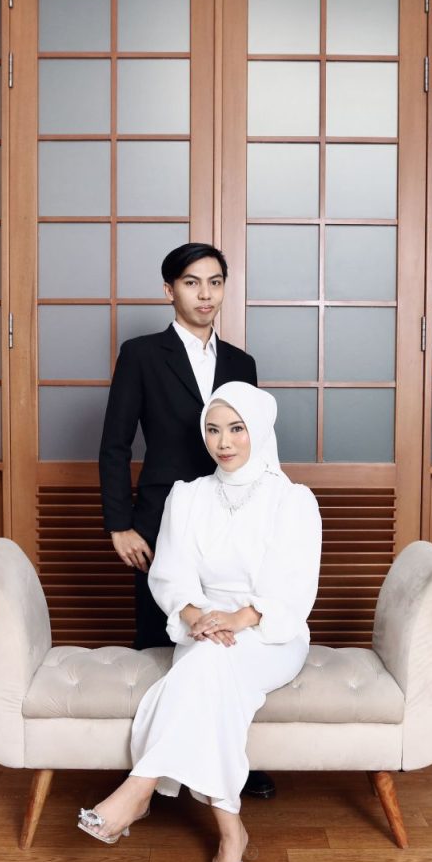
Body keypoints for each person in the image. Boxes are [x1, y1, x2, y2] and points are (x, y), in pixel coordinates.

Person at [80, 382, 322, 862]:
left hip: (270, 635)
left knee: (208, 666)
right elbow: (170, 575)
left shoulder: (292, 500)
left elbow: (293, 588)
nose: (223, 442)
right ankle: (231, 835)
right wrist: (196, 616)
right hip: (202, 629)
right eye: (212, 430)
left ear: (259, 430)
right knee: (210, 669)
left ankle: (140, 788)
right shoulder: (187, 496)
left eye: (236, 429)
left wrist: (237, 618)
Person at [99, 242, 274, 799]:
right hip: (159, 518)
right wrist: (120, 524)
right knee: (161, 637)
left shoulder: (242, 363)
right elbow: (114, 444)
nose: (205, 294)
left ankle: (235, 764)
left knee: (230, 644)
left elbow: (254, 442)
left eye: (215, 282)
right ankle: (156, 767)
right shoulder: (141, 354)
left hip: (232, 515)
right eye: (192, 282)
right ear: (169, 289)